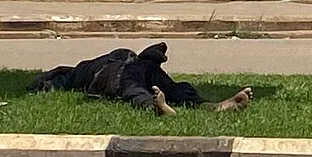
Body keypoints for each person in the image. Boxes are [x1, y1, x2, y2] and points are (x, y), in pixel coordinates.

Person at [29, 42, 252, 116]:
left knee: (143, 89)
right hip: (132, 69)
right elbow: (55, 79)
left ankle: (164, 106)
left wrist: (41, 84)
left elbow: (54, 80)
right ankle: (207, 106)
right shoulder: (82, 69)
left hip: (130, 70)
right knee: (168, 88)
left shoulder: (81, 70)